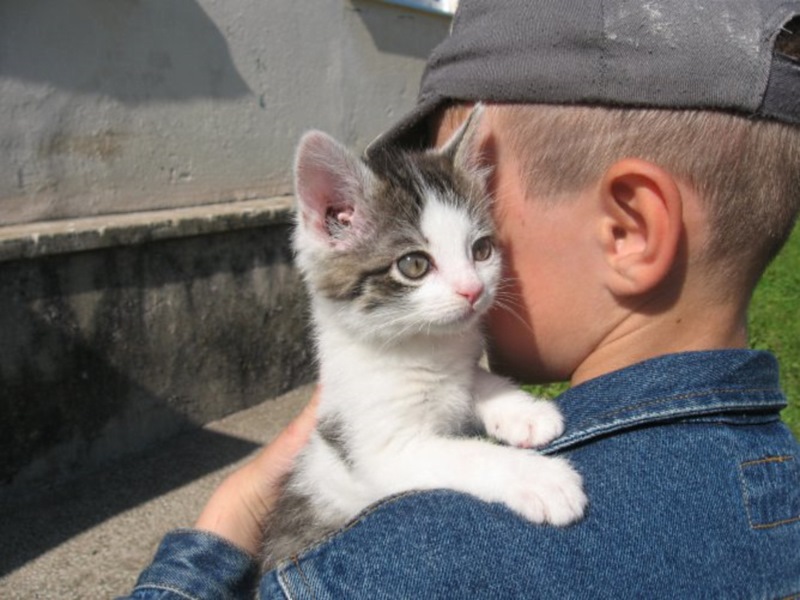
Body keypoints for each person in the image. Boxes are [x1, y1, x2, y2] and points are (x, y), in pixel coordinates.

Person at [122, 1, 800, 597]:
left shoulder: (385, 574)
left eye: (485, 237)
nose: (474, 285)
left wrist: (213, 544)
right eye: (422, 263)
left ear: (629, 230)